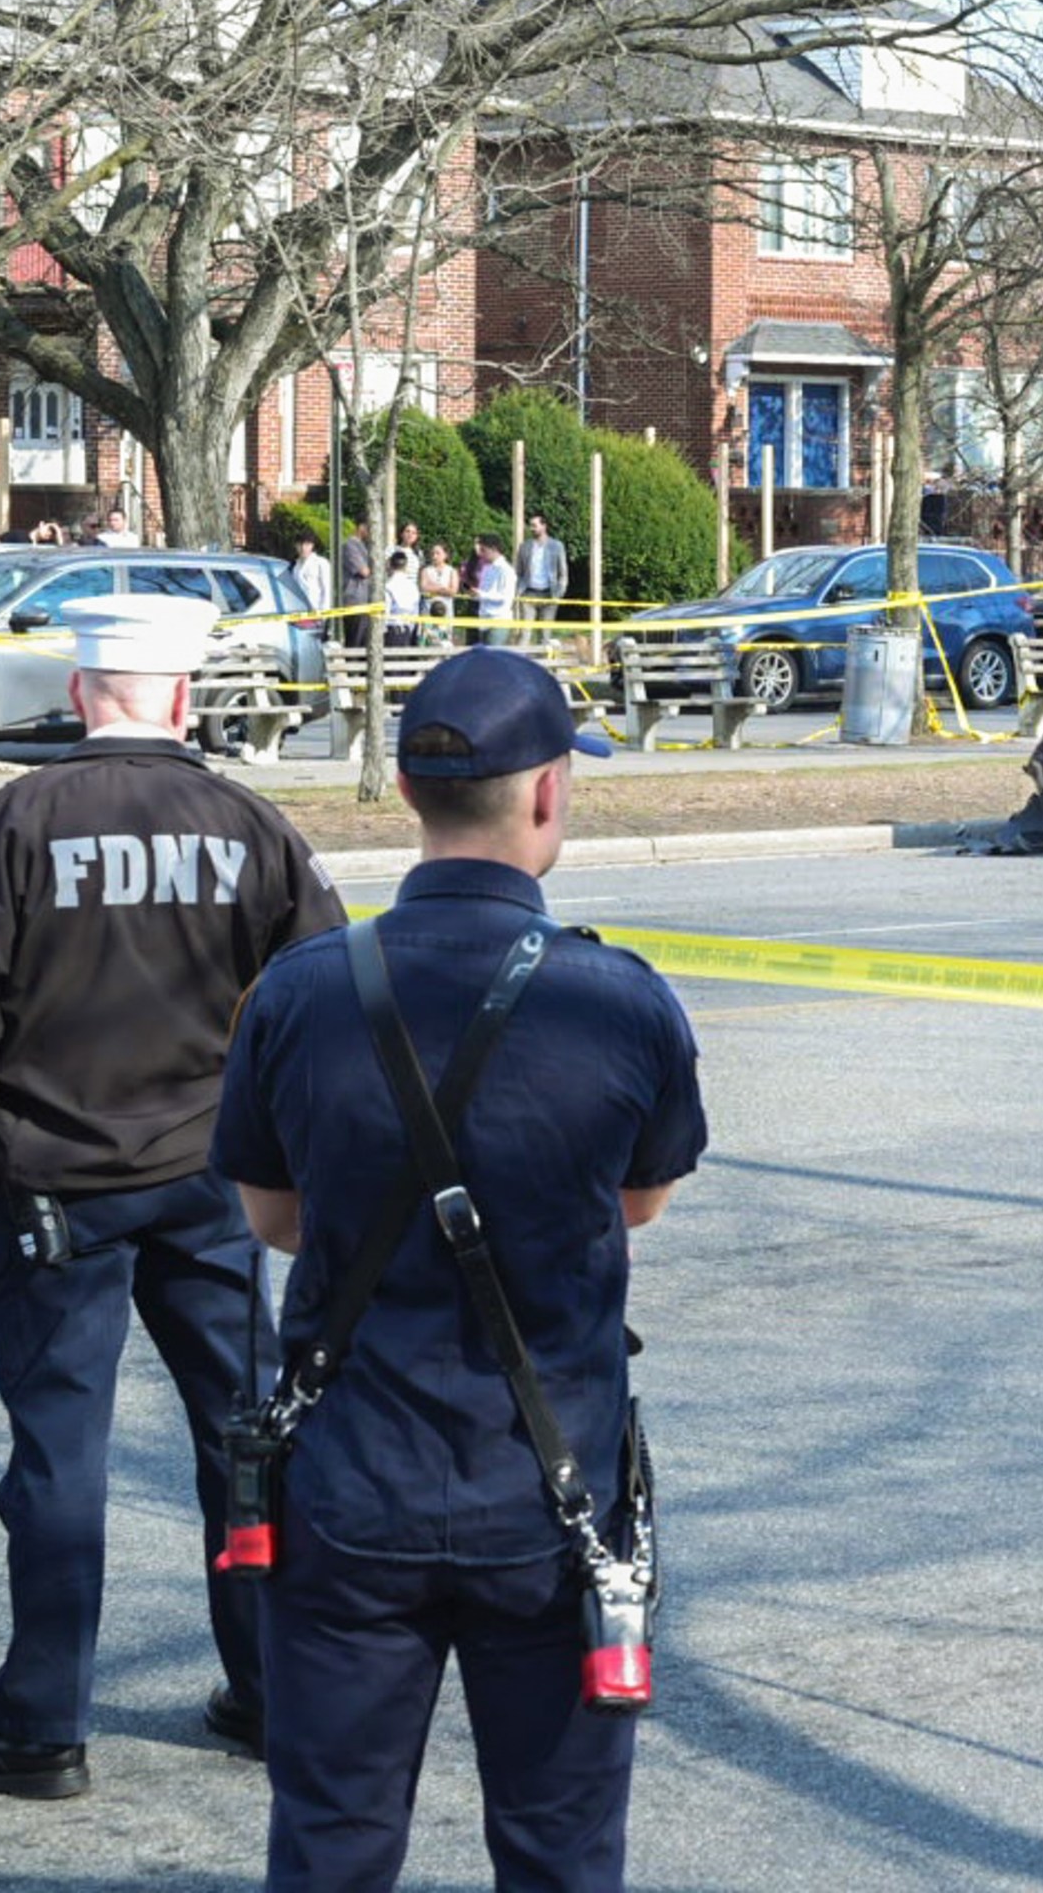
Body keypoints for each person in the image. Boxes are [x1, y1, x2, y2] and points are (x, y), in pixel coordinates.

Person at [213, 648, 707, 1891]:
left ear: (406, 784)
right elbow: (638, 1199)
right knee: (559, 1849)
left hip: (346, 1489)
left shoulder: (297, 992)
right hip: (552, 1503)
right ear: (547, 795)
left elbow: (273, 1217)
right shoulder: (620, 1001)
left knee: (329, 1841)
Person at [0, 593, 347, 1799]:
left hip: (54, 1186)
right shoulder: (253, 826)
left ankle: (42, 1726)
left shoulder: (17, 819)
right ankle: (270, 1693)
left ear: (83, 693)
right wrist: (278, 1158)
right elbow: (321, 1004)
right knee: (246, 1440)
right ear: (185, 698)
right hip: (208, 1180)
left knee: (57, 1455)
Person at [513, 515, 567, 643]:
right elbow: (518, 571)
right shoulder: (524, 546)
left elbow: (563, 573)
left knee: (545, 634)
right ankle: (520, 661)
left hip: (549, 594)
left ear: (544, 526)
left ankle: (542, 662)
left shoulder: (557, 546)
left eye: (534, 525)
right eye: (530, 525)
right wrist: (518, 590)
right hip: (528, 593)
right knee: (524, 633)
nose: (531, 528)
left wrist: (559, 593)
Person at [472, 534, 519, 649]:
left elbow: (505, 597)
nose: (481, 554)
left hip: (499, 619)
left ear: (494, 549)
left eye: (484, 550)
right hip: (484, 618)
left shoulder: (506, 570)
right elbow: (484, 591)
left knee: (493, 658)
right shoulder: (487, 568)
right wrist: (476, 594)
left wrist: (481, 594)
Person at [338, 527, 376, 648]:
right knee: (354, 643)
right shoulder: (350, 545)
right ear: (362, 527)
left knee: (365, 645)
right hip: (355, 601)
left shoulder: (365, 546)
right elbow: (363, 571)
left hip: (367, 601)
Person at [418, 541, 461, 639]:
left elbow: (453, 591)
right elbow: (423, 587)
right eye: (433, 553)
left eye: (438, 553)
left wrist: (433, 587)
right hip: (428, 611)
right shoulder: (425, 570)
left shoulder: (451, 571)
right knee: (427, 639)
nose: (434, 556)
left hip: (446, 612)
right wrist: (443, 588)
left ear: (445, 555)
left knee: (444, 639)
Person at [382, 551, 422, 649]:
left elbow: (386, 610)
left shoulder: (388, 586)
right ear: (406, 566)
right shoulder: (413, 587)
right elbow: (415, 611)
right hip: (407, 630)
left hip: (392, 630)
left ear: (390, 565)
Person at [292, 535, 334, 616]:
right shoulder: (295, 566)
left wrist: (323, 614)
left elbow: (327, 589)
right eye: (300, 544)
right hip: (298, 612)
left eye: (307, 544)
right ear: (296, 545)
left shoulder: (321, 563)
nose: (303, 548)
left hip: (317, 611)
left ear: (312, 545)